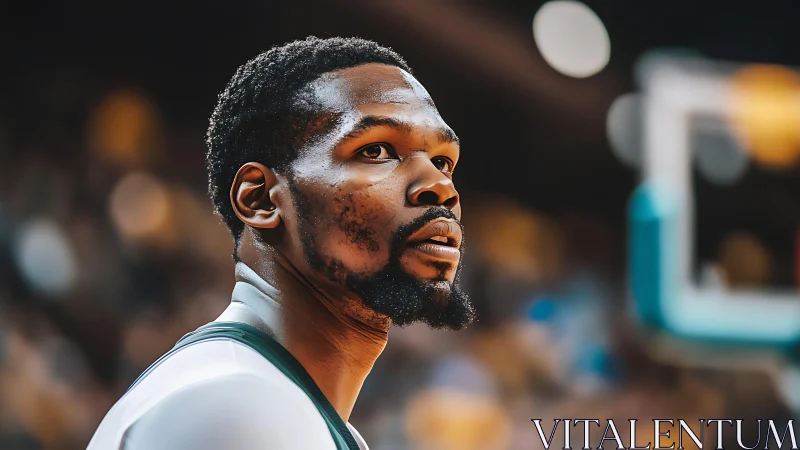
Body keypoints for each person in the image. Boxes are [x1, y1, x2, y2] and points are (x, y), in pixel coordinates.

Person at [87, 36, 474, 449]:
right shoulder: (241, 407)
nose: (439, 186)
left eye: (442, 161)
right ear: (260, 200)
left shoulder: (275, 400)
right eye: (377, 150)